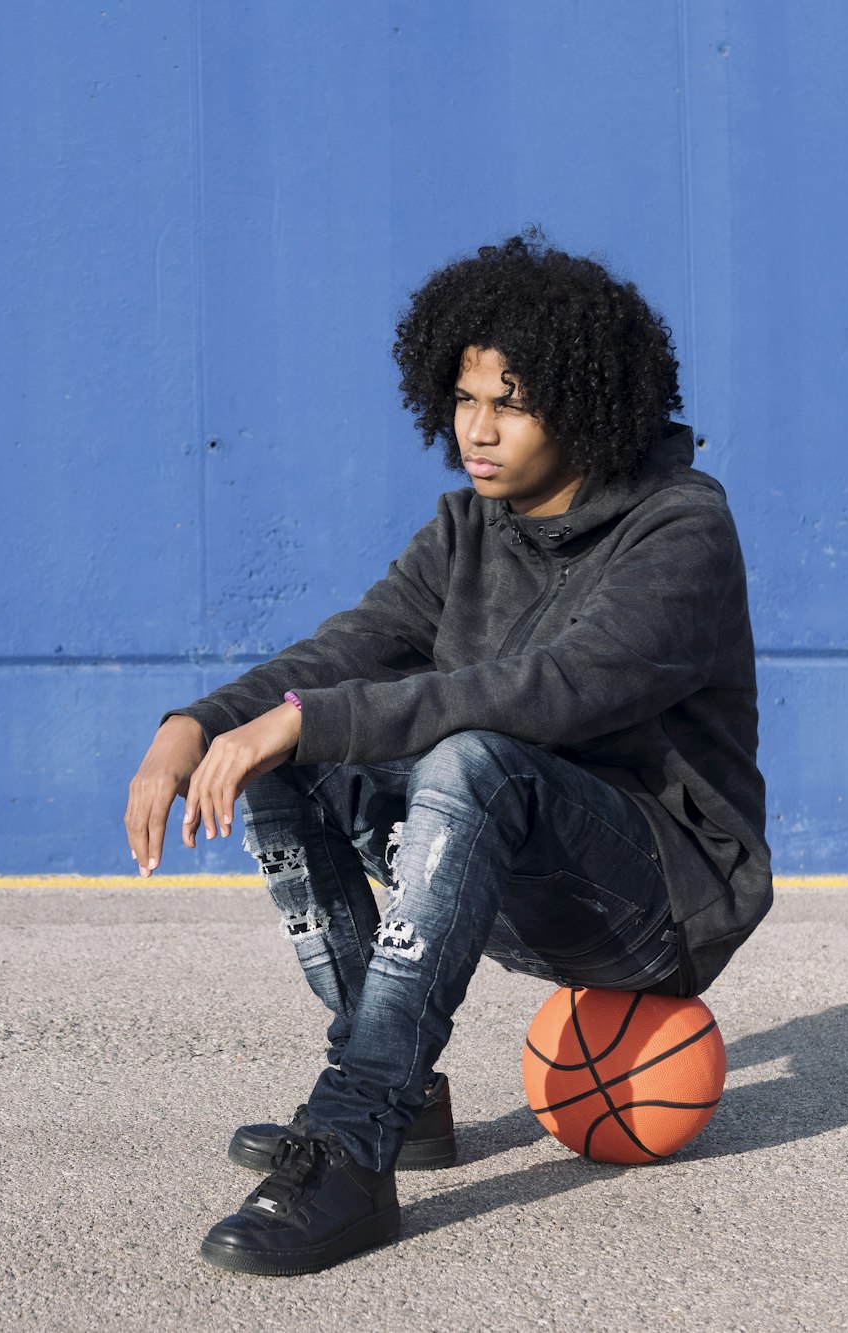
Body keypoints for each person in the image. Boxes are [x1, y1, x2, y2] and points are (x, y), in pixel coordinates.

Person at [122, 231, 772, 1276]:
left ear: (585, 403)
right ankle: (399, 1092)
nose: (475, 430)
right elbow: (345, 648)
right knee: (290, 755)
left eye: (508, 404)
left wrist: (310, 717)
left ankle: (350, 1140)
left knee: (469, 753)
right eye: (464, 399)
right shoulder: (469, 526)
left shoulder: (680, 529)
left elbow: (556, 690)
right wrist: (196, 724)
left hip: (661, 897)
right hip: (506, 862)